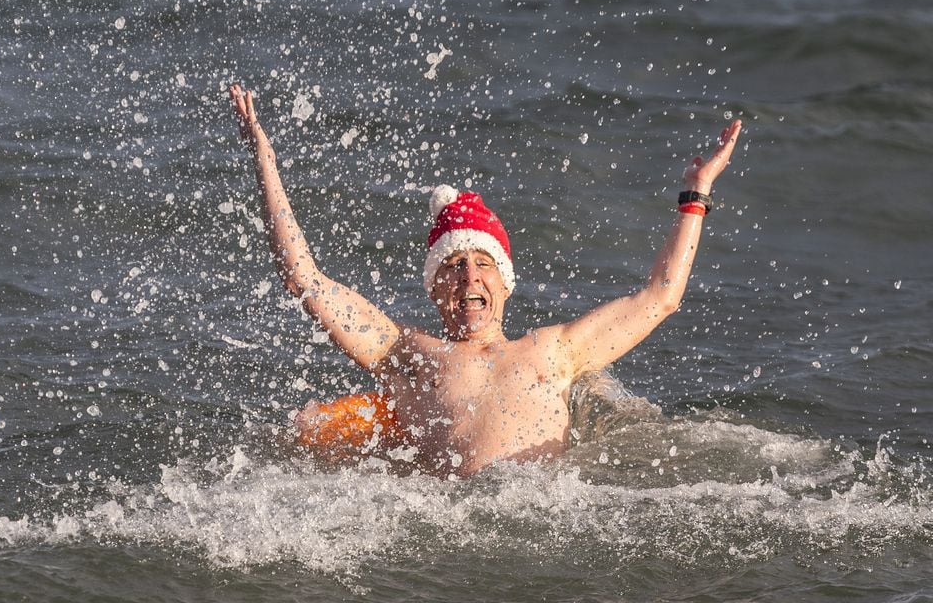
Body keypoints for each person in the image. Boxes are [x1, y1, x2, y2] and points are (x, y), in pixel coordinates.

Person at [229, 84, 742, 478]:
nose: (469, 276)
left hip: (546, 516)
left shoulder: (556, 352)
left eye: (483, 263)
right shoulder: (405, 354)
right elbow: (306, 280)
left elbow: (660, 297)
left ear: (506, 282)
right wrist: (265, 161)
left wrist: (696, 196)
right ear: (433, 289)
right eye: (452, 267)